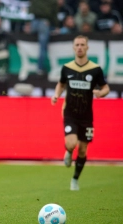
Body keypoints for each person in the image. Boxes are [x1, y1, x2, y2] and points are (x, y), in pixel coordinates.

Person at [51, 35, 110, 191]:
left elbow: (106, 87)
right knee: (71, 143)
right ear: (73, 47)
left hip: (86, 116)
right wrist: (56, 95)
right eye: (77, 44)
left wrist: (101, 93)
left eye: (82, 44)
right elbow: (61, 84)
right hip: (70, 112)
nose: (79, 47)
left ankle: (75, 179)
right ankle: (69, 151)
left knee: (83, 150)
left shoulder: (95, 69)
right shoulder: (67, 68)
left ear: (87, 47)